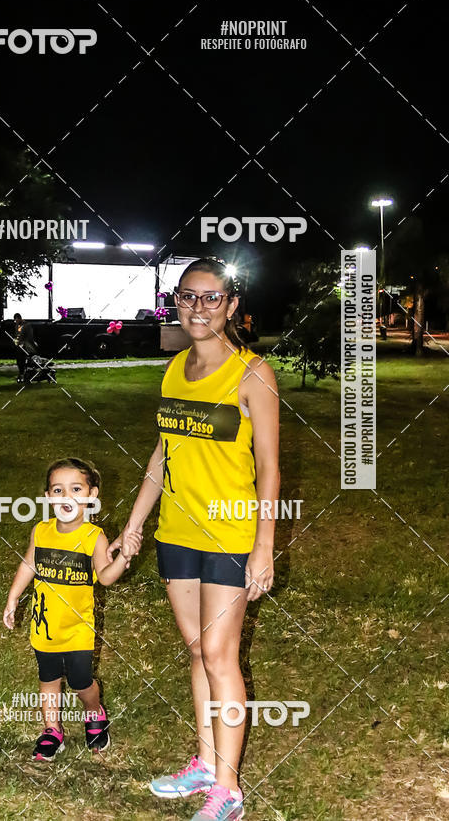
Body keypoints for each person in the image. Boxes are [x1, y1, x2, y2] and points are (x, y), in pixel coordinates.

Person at [109, 258, 280, 821]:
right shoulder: (175, 367)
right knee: (194, 650)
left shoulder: (253, 373)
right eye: (188, 297)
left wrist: (262, 546)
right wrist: (134, 523)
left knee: (219, 654)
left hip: (229, 529)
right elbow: (163, 454)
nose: (198, 308)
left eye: (211, 298)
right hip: (176, 531)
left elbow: (270, 468)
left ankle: (227, 790)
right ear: (176, 302)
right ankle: (206, 764)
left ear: (232, 305)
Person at [3, 457, 141, 760]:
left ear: (91, 496)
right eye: (57, 490)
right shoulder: (41, 531)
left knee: (81, 681)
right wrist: (14, 596)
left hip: (79, 629)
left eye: (75, 489)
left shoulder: (93, 537)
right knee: (48, 677)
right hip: (45, 627)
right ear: (47, 497)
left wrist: (123, 559)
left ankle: (94, 712)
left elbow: (104, 577)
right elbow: (29, 563)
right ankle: (52, 729)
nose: (66, 497)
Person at [13, 313, 37, 381]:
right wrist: (16, 340)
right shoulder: (17, 326)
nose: (16, 322)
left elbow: (30, 337)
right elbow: (17, 335)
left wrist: (24, 343)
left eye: (17, 320)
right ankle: (21, 374)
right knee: (19, 361)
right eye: (15, 320)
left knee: (24, 361)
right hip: (19, 346)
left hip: (26, 346)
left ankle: (25, 374)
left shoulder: (27, 325)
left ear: (19, 318)